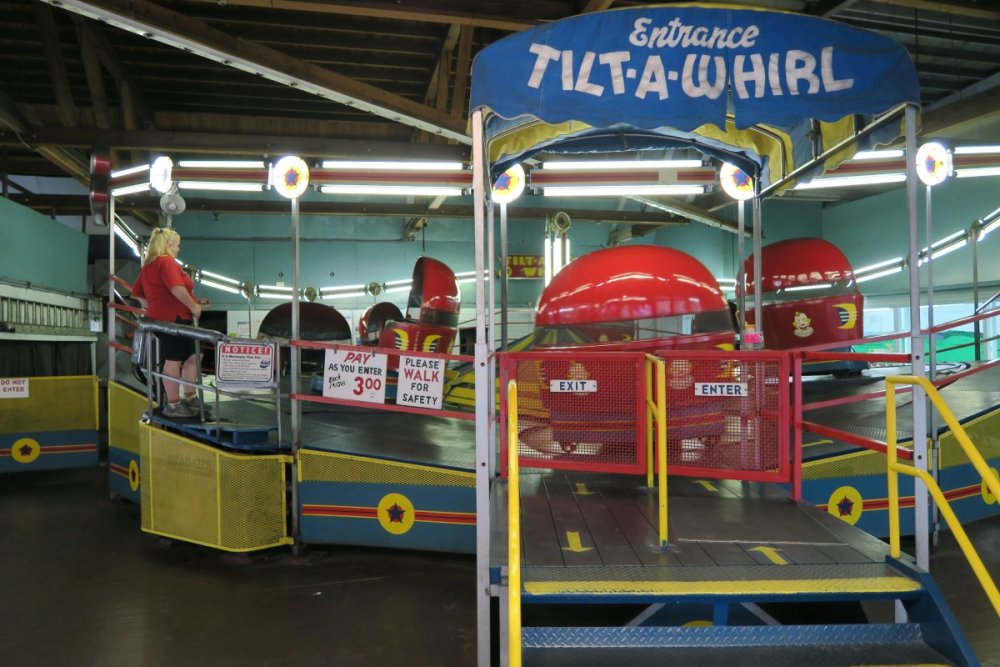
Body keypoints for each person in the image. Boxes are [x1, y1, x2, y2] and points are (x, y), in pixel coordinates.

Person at [132, 228, 205, 418]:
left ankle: (190, 398)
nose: (179, 249)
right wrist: (193, 306)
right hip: (175, 319)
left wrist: (154, 307)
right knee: (175, 359)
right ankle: (173, 404)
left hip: (168, 318)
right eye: (178, 245)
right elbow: (176, 287)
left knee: (194, 355)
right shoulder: (166, 262)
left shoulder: (149, 266)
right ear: (169, 244)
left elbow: (138, 293)